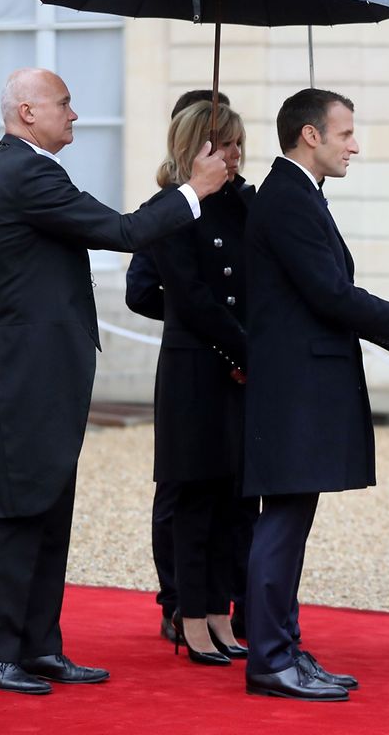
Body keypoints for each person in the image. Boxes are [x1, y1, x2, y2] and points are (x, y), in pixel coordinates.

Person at [0, 68, 227, 694]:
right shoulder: (24, 172)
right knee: (16, 513)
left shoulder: (31, 169)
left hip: (45, 373)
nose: (75, 113)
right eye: (64, 103)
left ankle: (38, 646)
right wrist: (192, 190)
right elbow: (122, 232)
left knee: (49, 509)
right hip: (23, 377)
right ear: (28, 112)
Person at [242, 88, 389, 701]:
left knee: (292, 523)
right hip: (295, 390)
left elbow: (323, 291)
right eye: (346, 132)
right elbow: (327, 292)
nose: (355, 144)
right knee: (283, 524)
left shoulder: (300, 195)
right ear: (310, 136)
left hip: (303, 384)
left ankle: (286, 648)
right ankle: (271, 658)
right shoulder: (288, 199)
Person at [143, 100, 253, 666]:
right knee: (194, 497)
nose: (237, 154)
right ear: (198, 149)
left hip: (238, 368)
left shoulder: (242, 204)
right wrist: (241, 349)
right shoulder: (169, 209)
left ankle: (218, 609)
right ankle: (188, 616)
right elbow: (189, 296)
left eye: (238, 143)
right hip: (196, 369)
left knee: (234, 498)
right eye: (227, 144)